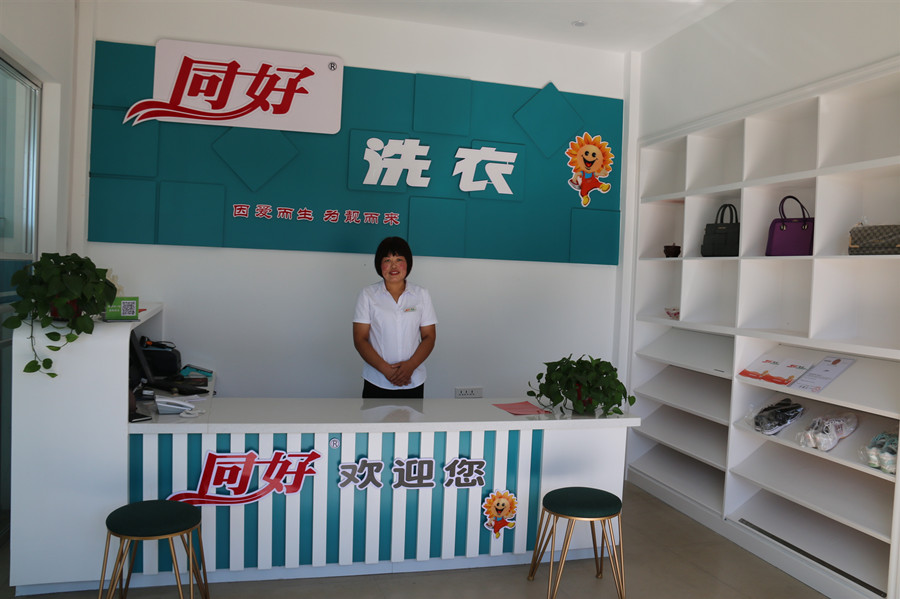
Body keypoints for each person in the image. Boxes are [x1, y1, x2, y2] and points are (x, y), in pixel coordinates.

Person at [353, 237, 437, 398]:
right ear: (379, 264)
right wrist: (387, 371)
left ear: (408, 263)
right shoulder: (367, 295)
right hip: (377, 379)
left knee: (412, 415)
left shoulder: (421, 294)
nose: (393, 266)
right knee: (374, 415)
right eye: (387, 260)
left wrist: (410, 367)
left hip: (413, 379)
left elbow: (429, 336)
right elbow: (360, 339)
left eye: (399, 260)